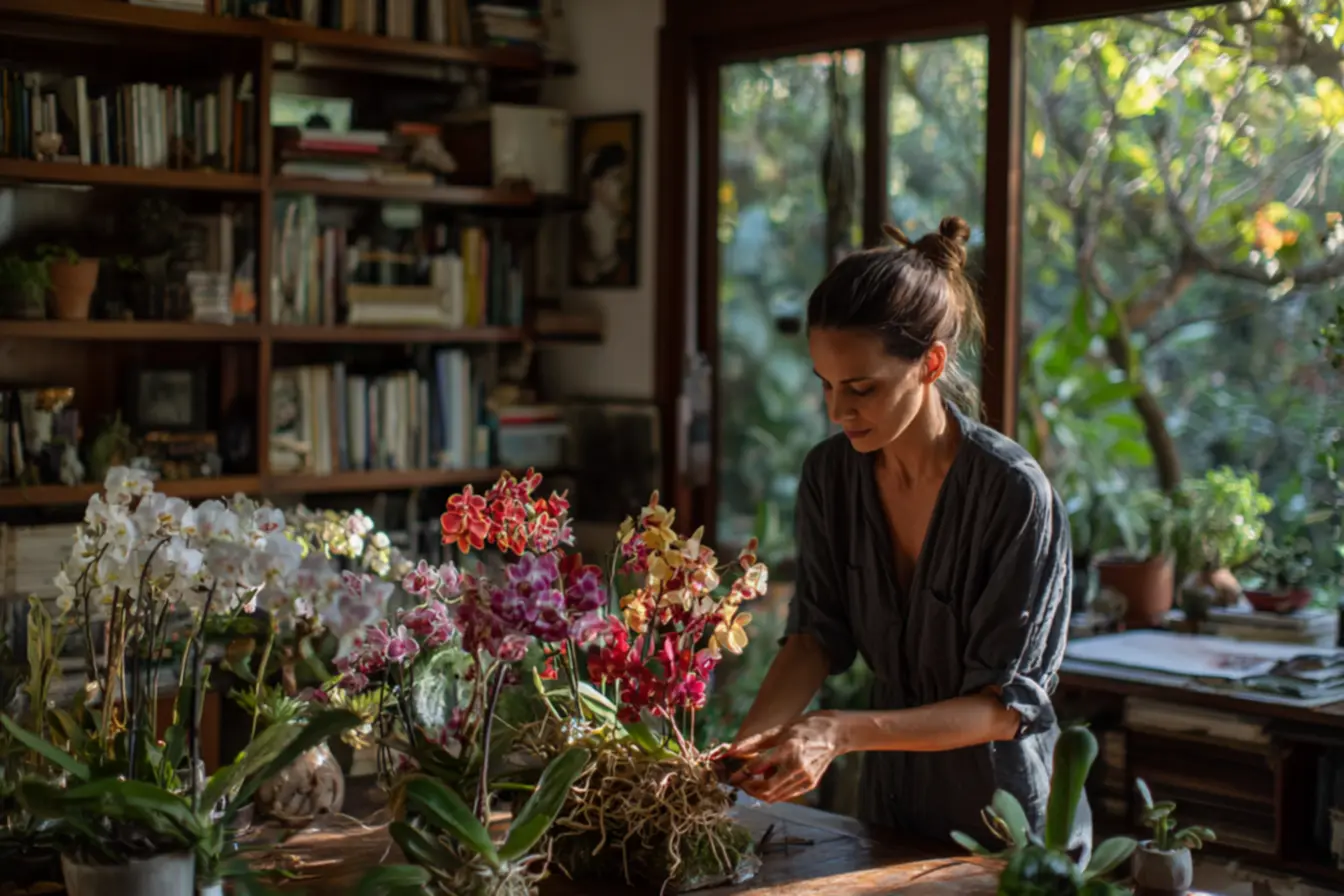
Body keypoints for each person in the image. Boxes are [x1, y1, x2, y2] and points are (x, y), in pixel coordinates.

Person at [726, 215, 1088, 858]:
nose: (839, 412)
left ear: (931, 363)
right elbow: (815, 637)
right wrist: (739, 763)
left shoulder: (1012, 493)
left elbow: (1004, 709)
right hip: (891, 814)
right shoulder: (831, 476)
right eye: (827, 386)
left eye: (861, 388)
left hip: (1006, 830)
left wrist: (838, 733)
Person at [574, 142, 630, 285]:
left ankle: (600, 272)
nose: (621, 169)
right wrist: (616, 209)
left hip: (608, 219)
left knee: (607, 248)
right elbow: (604, 199)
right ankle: (593, 273)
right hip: (599, 216)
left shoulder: (612, 181)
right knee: (601, 247)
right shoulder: (600, 181)